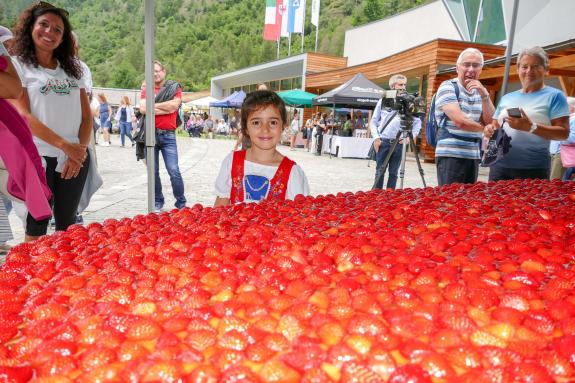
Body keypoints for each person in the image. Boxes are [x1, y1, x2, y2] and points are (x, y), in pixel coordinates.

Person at [11, 2, 91, 241]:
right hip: (39, 157)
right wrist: (65, 146)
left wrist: (79, 152)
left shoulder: (72, 69)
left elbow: (86, 117)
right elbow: (24, 116)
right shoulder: (19, 66)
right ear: (30, 28)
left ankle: (62, 276)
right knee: (37, 223)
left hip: (74, 157)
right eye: (43, 24)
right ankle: (29, 275)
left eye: (57, 29)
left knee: (67, 225)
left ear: (63, 37)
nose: (49, 32)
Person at [484, 47, 569, 181]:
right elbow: (495, 125)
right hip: (498, 166)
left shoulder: (556, 96)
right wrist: (489, 130)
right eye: (525, 66)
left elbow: (563, 133)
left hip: (533, 169)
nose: (529, 71)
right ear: (518, 70)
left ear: (546, 70)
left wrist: (531, 127)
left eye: (536, 66)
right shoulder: (507, 97)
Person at [214, 90, 309, 206]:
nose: (265, 129)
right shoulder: (231, 162)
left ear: (283, 126)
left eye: (273, 122)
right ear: (246, 128)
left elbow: (297, 218)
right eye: (256, 123)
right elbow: (219, 210)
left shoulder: (292, 173)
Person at [434, 47, 495, 185]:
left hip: (473, 155)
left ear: (481, 69)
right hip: (451, 155)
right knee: (450, 201)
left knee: (467, 201)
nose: (471, 69)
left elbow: (492, 121)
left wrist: (485, 96)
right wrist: (484, 129)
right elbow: (460, 122)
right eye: (466, 64)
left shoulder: (479, 91)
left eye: (476, 65)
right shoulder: (448, 87)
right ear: (457, 68)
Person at [139, 60, 186, 212]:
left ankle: (181, 202)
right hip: (150, 135)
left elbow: (173, 106)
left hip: (168, 136)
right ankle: (158, 201)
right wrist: (164, 107)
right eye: (152, 71)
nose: (155, 73)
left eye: (158, 70)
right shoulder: (147, 88)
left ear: (164, 72)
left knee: (174, 170)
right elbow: (142, 109)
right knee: (153, 172)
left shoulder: (174, 87)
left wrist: (152, 106)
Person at [370, 74, 422, 189]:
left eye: (405, 85)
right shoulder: (384, 100)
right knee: (380, 171)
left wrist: (410, 137)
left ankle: (390, 199)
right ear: (393, 86)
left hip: (398, 143)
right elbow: (373, 121)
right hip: (383, 142)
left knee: (393, 173)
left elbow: (418, 123)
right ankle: (375, 198)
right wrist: (376, 138)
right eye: (400, 84)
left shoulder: (409, 101)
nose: (403, 87)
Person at [549, 97, 575, 179]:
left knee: (555, 183)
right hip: (556, 153)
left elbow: (573, 138)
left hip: (562, 154)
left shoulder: (573, 120)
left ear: (571, 107)